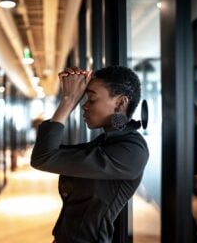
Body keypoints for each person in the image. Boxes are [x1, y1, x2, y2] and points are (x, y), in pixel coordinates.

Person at [30, 65, 149, 243]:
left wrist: (69, 101)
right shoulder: (106, 141)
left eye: (91, 99)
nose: (83, 106)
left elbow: (43, 158)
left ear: (121, 102)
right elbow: (49, 154)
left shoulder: (131, 150)